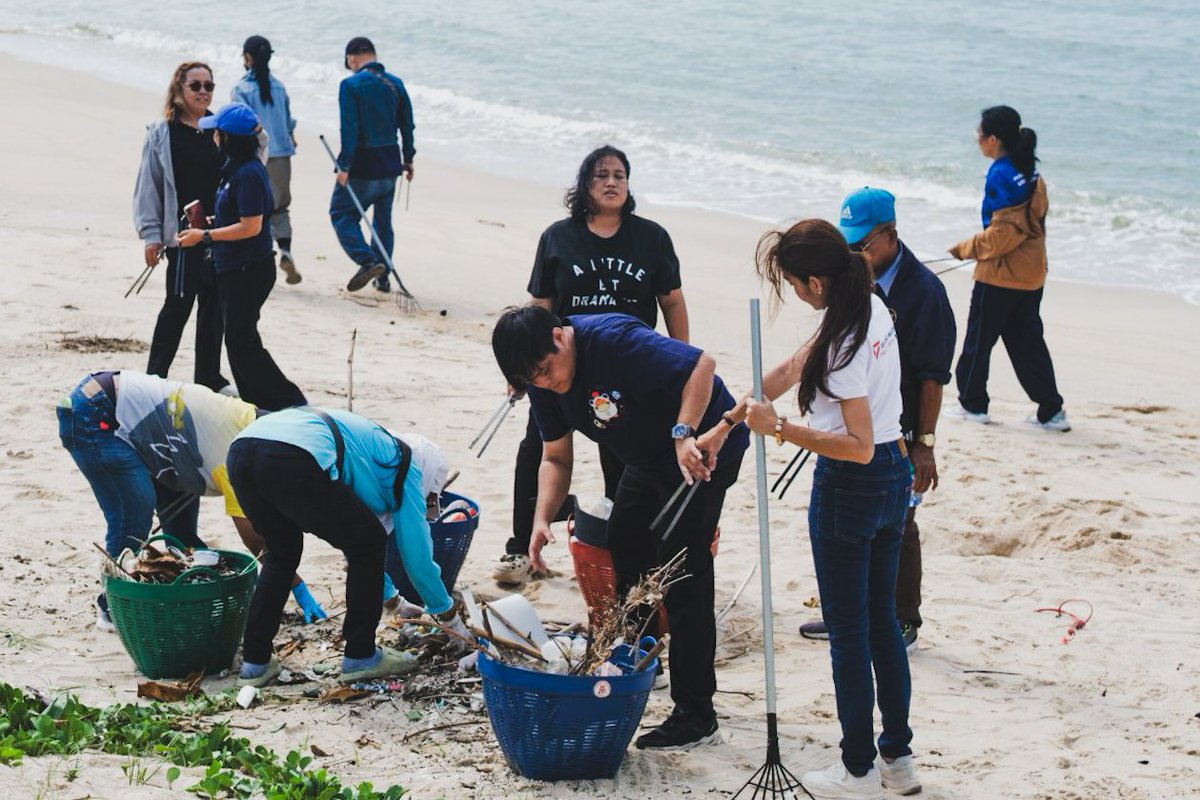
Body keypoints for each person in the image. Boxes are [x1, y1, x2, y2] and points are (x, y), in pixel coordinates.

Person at [491, 304, 748, 750]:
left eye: (547, 372)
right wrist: (538, 520)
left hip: (703, 447)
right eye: (535, 381)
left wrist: (685, 432)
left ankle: (696, 713)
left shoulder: (613, 341)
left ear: (558, 337)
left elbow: (702, 364)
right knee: (624, 542)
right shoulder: (541, 381)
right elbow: (555, 456)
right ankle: (637, 660)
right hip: (647, 457)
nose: (547, 383)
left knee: (680, 571)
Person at [729, 219, 920, 797]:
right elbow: (791, 368)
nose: (794, 293)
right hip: (895, 475)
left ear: (816, 281)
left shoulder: (844, 343)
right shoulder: (867, 302)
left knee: (850, 630)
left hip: (854, 482)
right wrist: (739, 412)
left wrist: (781, 428)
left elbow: (855, 445)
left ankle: (858, 767)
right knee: (882, 622)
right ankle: (898, 760)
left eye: (793, 284)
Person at [494, 145, 691, 586]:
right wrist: (520, 369)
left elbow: (672, 301)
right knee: (540, 450)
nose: (612, 182)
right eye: (602, 175)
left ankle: (619, 551)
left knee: (624, 462)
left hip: (628, 372)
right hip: (560, 366)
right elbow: (540, 304)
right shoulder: (559, 237)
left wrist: (679, 362)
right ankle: (522, 545)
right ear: (584, 185)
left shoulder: (652, 238)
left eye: (620, 175)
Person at [797, 188, 956, 654]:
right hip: (853, 419)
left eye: (861, 245)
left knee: (899, 521)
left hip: (900, 425)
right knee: (849, 515)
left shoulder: (925, 293)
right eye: (846, 245)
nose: (853, 254)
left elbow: (933, 376)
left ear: (891, 235)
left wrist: (925, 442)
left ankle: (902, 619)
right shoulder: (851, 279)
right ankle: (849, 613)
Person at [55, 371, 326, 632]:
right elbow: (256, 542)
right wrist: (297, 587)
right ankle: (112, 607)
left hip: (170, 441)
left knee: (182, 537)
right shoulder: (240, 455)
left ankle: (167, 598)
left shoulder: (258, 424)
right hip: (97, 413)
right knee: (133, 514)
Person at [227, 407, 471, 687]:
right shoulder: (407, 464)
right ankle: (361, 655)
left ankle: (255, 663)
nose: (425, 504)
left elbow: (350, 533)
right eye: (428, 499)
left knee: (282, 554)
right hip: (291, 454)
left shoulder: (370, 455)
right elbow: (417, 559)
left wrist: (395, 602)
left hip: (242, 452)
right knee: (368, 541)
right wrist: (449, 617)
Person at [178, 103, 306, 412]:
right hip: (235, 267)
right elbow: (238, 217)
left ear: (227, 138)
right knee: (238, 340)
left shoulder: (248, 172)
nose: (213, 137)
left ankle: (287, 400)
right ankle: (259, 400)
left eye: (217, 133)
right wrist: (207, 221)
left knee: (241, 339)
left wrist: (204, 236)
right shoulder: (234, 169)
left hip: (250, 270)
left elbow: (252, 227)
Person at [948, 105, 1069, 432]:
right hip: (1031, 274)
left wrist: (964, 249)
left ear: (993, 139)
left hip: (1000, 276)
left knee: (978, 341)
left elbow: (1004, 233)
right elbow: (1030, 223)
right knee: (1028, 343)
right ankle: (1051, 412)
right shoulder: (1030, 170)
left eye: (980, 134)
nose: (977, 139)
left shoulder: (1001, 172)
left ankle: (973, 406)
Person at [133, 61, 230, 394]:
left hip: (219, 235)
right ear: (179, 89)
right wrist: (150, 235)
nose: (203, 92)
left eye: (209, 86)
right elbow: (149, 185)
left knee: (214, 309)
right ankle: (155, 376)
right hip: (183, 235)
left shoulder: (221, 130)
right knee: (177, 305)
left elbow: (251, 158)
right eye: (196, 86)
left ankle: (208, 378)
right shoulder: (163, 132)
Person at [332, 36, 415, 293]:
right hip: (390, 165)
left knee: (342, 214)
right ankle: (383, 275)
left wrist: (344, 166)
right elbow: (407, 124)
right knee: (382, 222)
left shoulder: (351, 84)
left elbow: (350, 129)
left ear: (352, 57)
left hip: (363, 165)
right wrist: (408, 158)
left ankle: (367, 261)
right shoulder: (396, 83)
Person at [232, 35, 302, 285]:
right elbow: (288, 120)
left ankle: (258, 258)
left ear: (247, 58)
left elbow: (241, 124)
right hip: (282, 154)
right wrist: (291, 135)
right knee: (280, 206)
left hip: (255, 156)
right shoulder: (279, 86)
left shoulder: (241, 88)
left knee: (255, 209)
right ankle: (285, 250)